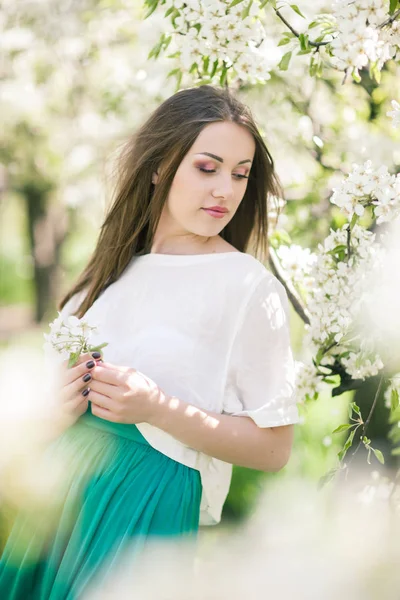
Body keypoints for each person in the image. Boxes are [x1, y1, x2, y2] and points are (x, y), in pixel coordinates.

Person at [0, 84, 300, 598]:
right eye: (208, 168)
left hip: (145, 501)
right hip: (59, 498)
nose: (225, 190)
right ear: (160, 166)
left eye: (240, 174)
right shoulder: (108, 275)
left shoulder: (248, 288)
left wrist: (157, 408)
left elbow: (274, 447)